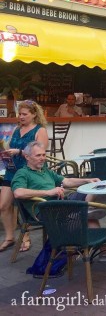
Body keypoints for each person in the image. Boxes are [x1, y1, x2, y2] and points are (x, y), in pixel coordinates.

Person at [11, 141, 105, 228]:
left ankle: (86, 211)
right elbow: (18, 193)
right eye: (38, 155)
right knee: (87, 216)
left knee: (91, 189)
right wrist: (48, 192)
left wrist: (87, 181)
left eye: (44, 155)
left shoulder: (46, 171)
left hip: (60, 203)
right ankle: (85, 211)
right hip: (45, 210)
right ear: (27, 157)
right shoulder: (22, 173)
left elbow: (66, 181)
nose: (42, 158)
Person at [0, 100, 48, 253]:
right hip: (12, 169)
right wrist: (6, 152)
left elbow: (40, 153)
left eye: (24, 114)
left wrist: (19, 152)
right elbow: (10, 146)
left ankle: (25, 237)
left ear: (34, 115)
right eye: (19, 114)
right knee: (3, 205)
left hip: (29, 172)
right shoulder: (16, 129)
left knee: (23, 206)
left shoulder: (40, 131)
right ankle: (9, 237)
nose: (20, 117)